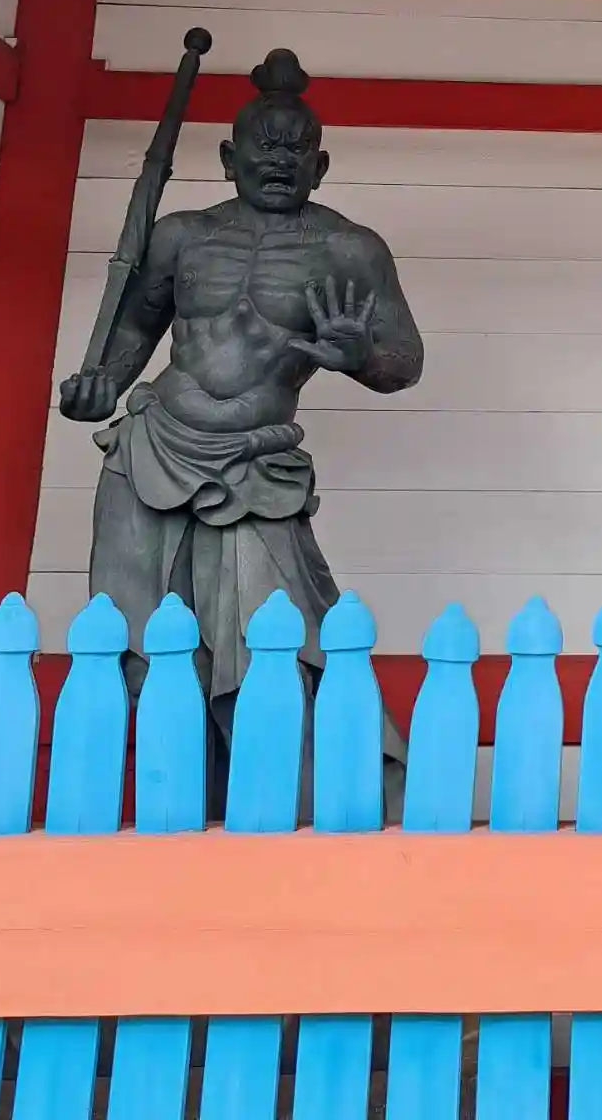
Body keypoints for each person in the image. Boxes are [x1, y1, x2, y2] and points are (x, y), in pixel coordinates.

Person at [60, 49, 423, 801]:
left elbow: (402, 362)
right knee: (143, 644)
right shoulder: (181, 235)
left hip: (256, 464)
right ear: (230, 158)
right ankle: (181, 801)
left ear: (321, 166)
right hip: (152, 448)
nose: (280, 160)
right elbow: (134, 333)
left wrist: (359, 356)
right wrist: (100, 386)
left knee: (275, 637)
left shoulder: (348, 249)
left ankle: (286, 799)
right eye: (265, 145)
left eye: (297, 149)